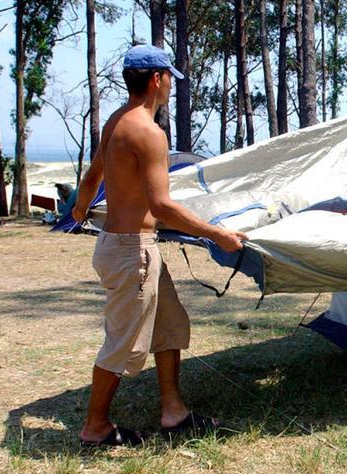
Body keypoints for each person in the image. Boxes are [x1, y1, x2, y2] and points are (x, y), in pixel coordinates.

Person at [71, 45, 247, 447]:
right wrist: (216, 234)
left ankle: (174, 411)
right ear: (156, 79)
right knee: (123, 345)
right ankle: (95, 426)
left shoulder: (116, 122)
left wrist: (80, 209)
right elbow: (161, 204)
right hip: (133, 252)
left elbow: (94, 175)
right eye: (169, 78)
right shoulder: (149, 132)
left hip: (130, 246)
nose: (170, 85)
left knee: (168, 325)